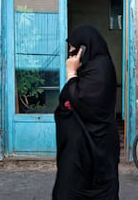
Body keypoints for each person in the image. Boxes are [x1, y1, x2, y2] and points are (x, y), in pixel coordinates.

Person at [52, 25, 120, 200]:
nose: (71, 55)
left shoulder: (101, 69)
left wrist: (71, 72)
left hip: (97, 144)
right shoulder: (90, 70)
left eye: (73, 49)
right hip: (78, 149)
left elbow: (81, 101)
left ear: (85, 48)